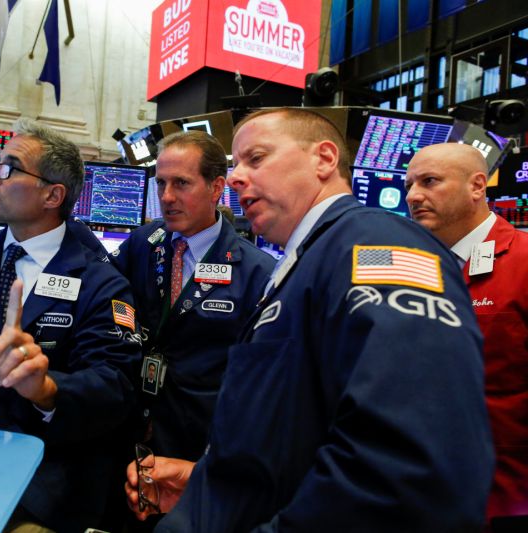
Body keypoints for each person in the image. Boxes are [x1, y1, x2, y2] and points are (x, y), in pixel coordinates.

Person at [125, 108, 494, 532]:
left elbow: (413, 468)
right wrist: (212, 481)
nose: (239, 177)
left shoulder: (375, 248)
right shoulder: (304, 264)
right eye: (237, 164)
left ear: (323, 159)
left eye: (256, 158)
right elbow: (298, 430)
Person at [0, 118, 142, 533]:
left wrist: (46, 390)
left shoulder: (102, 284)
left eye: (9, 167)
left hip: (42, 483)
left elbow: (115, 386)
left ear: (52, 195)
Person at [110, 130, 276, 463]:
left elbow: (260, 383)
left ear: (216, 188)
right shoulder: (143, 243)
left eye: (181, 184)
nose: (166, 197)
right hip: (124, 430)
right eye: (160, 183)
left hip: (197, 443)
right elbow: (105, 293)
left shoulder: (257, 272)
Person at [406, 142, 528, 524]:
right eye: (409, 184)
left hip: (508, 498)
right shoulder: (409, 267)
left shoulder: (524, 261)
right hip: (422, 491)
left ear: (477, 187)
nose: (412, 196)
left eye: (429, 181)